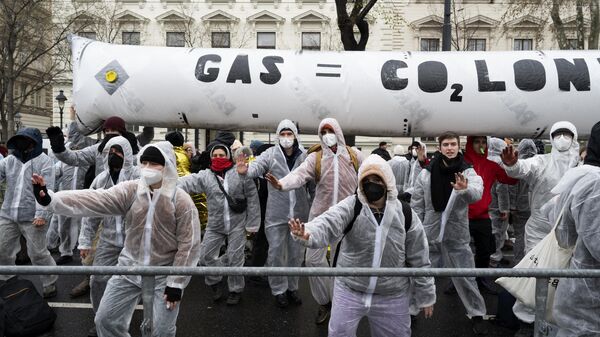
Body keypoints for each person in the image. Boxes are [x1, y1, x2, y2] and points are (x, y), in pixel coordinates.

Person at [32, 141, 201, 337]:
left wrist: (176, 283)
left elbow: (189, 244)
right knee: (105, 320)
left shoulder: (180, 200)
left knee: (162, 330)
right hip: (129, 268)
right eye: (144, 162)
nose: (148, 168)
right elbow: (95, 199)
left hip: (164, 274)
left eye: (155, 164)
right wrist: (51, 199)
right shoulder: (132, 190)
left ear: (168, 165)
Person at [289, 154, 435, 337]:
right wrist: (307, 232)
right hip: (350, 289)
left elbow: (420, 257)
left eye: (377, 179)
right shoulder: (352, 206)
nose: (371, 184)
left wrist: (426, 294)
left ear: (387, 181)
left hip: (392, 294)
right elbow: (327, 222)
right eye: (367, 180)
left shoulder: (405, 213)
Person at [265, 118, 364, 324]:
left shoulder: (354, 156)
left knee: (341, 265)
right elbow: (298, 176)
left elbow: (372, 172)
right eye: (324, 131)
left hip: (346, 220)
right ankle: (325, 301)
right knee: (312, 261)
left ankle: (338, 304)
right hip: (319, 218)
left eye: (330, 130)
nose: (328, 134)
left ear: (338, 131)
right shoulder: (316, 158)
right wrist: (282, 184)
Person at [501, 121, 579, 334]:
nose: (562, 138)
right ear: (552, 138)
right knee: (534, 277)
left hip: (569, 233)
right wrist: (512, 165)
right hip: (539, 229)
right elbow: (523, 169)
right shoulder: (542, 161)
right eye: (558, 134)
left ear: (574, 137)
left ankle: (556, 322)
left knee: (563, 280)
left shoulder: (581, 167)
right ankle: (527, 323)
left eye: (567, 134)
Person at [411, 131, 488, 335]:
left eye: (453, 144)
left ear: (459, 146)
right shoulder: (426, 173)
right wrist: (415, 232)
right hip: (430, 233)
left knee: (466, 276)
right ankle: (410, 312)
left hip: (457, 235)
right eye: (446, 144)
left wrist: (465, 190)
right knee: (421, 275)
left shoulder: (467, 171)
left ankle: (477, 314)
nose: (450, 148)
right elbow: (417, 204)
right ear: (440, 147)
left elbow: (477, 193)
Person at [237, 120, 312, 308]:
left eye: (289, 134)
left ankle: (292, 288)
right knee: (276, 253)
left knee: (296, 254)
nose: (286, 138)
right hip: (276, 213)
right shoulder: (270, 155)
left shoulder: (305, 156)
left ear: (295, 136)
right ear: (278, 136)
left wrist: (316, 210)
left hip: (299, 213)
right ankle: (279, 290)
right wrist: (246, 170)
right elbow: (256, 167)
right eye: (283, 134)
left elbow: (313, 185)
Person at [178, 143, 260, 305]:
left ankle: (235, 290)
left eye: (222, 155)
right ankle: (215, 281)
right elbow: (188, 181)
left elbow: (252, 198)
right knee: (204, 256)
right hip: (215, 225)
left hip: (237, 223)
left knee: (236, 258)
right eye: (215, 156)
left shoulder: (239, 173)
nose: (218, 158)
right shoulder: (206, 176)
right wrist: (167, 186)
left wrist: (253, 223)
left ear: (228, 156)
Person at [77, 136, 139, 337]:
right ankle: (101, 321)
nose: (114, 156)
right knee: (98, 280)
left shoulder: (138, 177)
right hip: (109, 240)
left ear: (128, 154)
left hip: (134, 242)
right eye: (111, 153)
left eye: (119, 152)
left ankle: (130, 322)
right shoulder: (101, 180)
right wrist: (85, 241)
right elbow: (90, 213)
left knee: (136, 283)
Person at [551, 121, 600, 337]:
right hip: (590, 297)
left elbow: (560, 228)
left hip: (581, 292)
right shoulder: (595, 184)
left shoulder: (582, 176)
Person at [0, 128, 58, 298]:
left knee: (38, 253)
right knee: (2, 248)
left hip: (33, 216)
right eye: (19, 140)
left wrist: (42, 214)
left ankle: (50, 283)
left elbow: (47, 190)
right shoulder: (10, 160)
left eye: (25, 139)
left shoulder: (45, 162)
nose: (21, 143)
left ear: (34, 141)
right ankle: (7, 279)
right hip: (8, 213)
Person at [464, 136, 517, 292]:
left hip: (482, 216)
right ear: (469, 144)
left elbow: (510, 180)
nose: (480, 145)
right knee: (460, 252)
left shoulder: (490, 164)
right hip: (461, 217)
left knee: (484, 252)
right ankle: (458, 281)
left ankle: (481, 280)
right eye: (476, 142)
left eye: (483, 142)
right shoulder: (462, 163)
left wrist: (511, 163)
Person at [52, 122, 96, 265]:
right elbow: (56, 173)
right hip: (66, 195)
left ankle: (86, 251)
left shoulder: (90, 153)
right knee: (63, 225)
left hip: (85, 195)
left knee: (87, 224)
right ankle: (65, 252)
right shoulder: (65, 153)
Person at [46, 115, 140, 176]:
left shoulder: (132, 150)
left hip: (126, 194)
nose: (110, 134)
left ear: (122, 133)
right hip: (101, 194)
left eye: (115, 130)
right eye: (107, 131)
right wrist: (59, 148)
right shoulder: (98, 149)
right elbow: (75, 158)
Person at [506, 139, 537, 263]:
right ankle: (532, 264)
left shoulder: (518, 165)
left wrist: (512, 206)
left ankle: (519, 266)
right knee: (535, 237)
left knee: (521, 236)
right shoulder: (538, 164)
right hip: (536, 206)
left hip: (521, 207)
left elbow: (512, 187)